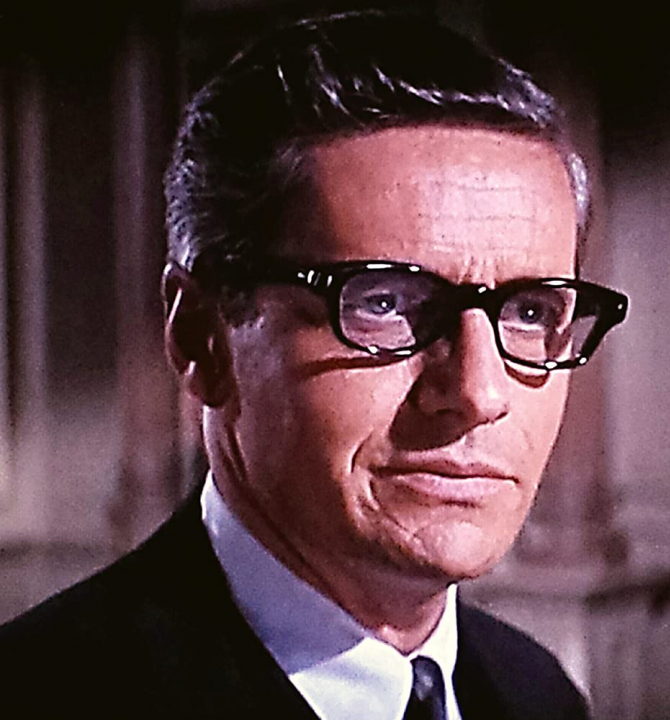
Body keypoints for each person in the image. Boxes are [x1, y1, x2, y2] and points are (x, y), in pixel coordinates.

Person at [0, 9, 628, 718]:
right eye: (386, 302)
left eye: (530, 313)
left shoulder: (536, 692)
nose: (479, 393)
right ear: (201, 336)